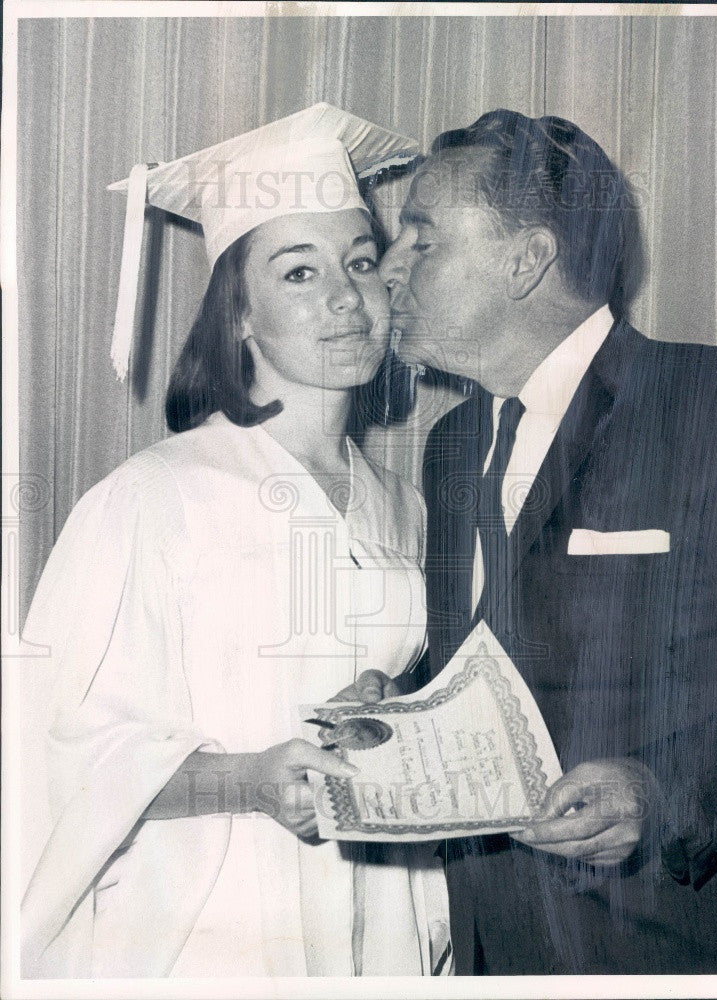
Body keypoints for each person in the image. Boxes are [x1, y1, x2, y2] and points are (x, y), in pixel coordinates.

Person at [353, 109, 717, 974]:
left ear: (527, 261)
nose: (388, 272)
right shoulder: (450, 447)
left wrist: (659, 794)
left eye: (421, 239)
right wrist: (397, 714)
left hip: (675, 948)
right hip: (496, 945)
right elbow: (493, 660)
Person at [20, 104, 451, 979]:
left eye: (360, 262)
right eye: (298, 273)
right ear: (240, 317)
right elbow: (51, 754)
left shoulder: (403, 507)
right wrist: (249, 780)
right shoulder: (153, 498)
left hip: (382, 920)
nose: (344, 295)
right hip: (215, 926)